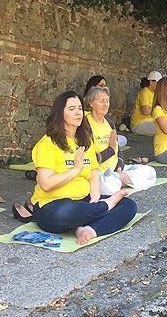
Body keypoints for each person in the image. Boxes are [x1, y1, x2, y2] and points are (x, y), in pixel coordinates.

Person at [29, 91, 137, 244]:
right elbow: (46, 184)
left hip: (83, 202)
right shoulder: (48, 143)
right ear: (60, 113)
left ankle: (89, 229)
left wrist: (95, 195)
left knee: (129, 206)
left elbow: (93, 174)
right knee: (63, 213)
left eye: (80, 108)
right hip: (53, 205)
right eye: (72, 109)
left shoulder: (85, 141)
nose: (78, 112)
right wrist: (74, 170)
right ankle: (104, 208)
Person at [130, 71, 162, 136]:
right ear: (151, 82)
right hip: (139, 124)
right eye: (158, 83)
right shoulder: (145, 92)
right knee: (163, 128)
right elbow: (146, 111)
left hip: (149, 122)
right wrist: (158, 108)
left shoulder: (154, 93)